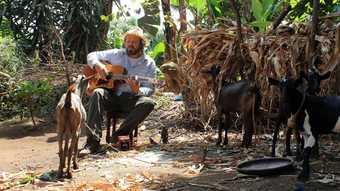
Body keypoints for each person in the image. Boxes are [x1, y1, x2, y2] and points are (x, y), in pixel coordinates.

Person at [84, 27, 156, 153]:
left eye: (134, 42)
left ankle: (117, 136)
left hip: (131, 100)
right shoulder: (116, 54)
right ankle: (92, 143)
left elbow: (149, 88)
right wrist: (98, 65)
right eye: (128, 41)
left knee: (148, 103)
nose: (130, 44)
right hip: (111, 96)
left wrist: (137, 90)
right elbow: (91, 55)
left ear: (141, 44)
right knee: (97, 92)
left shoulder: (149, 63)